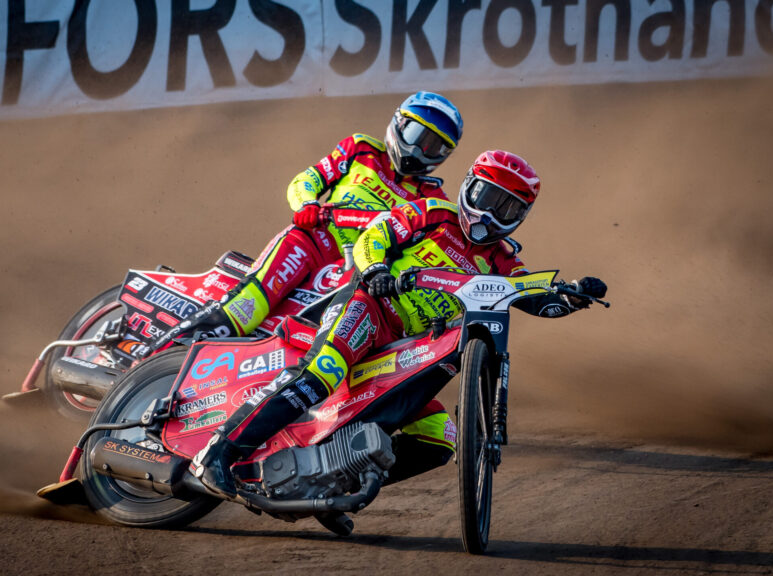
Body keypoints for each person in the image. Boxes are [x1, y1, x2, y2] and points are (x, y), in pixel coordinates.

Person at [191, 150, 608, 498]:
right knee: (323, 372)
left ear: (522, 215)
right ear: (468, 187)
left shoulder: (503, 260)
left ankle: (334, 486)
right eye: (486, 197)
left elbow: (532, 297)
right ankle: (218, 454)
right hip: (369, 307)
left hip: (408, 349)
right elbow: (375, 236)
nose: (490, 214)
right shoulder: (432, 212)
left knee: (440, 436)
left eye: (507, 207)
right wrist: (375, 270)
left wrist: (570, 297)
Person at [140, 92, 464, 358]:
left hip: (357, 273)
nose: (420, 151)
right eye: (417, 136)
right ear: (399, 124)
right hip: (311, 243)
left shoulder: (433, 200)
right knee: (245, 310)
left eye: (433, 146)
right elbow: (306, 181)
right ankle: (149, 360)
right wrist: (306, 205)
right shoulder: (361, 149)